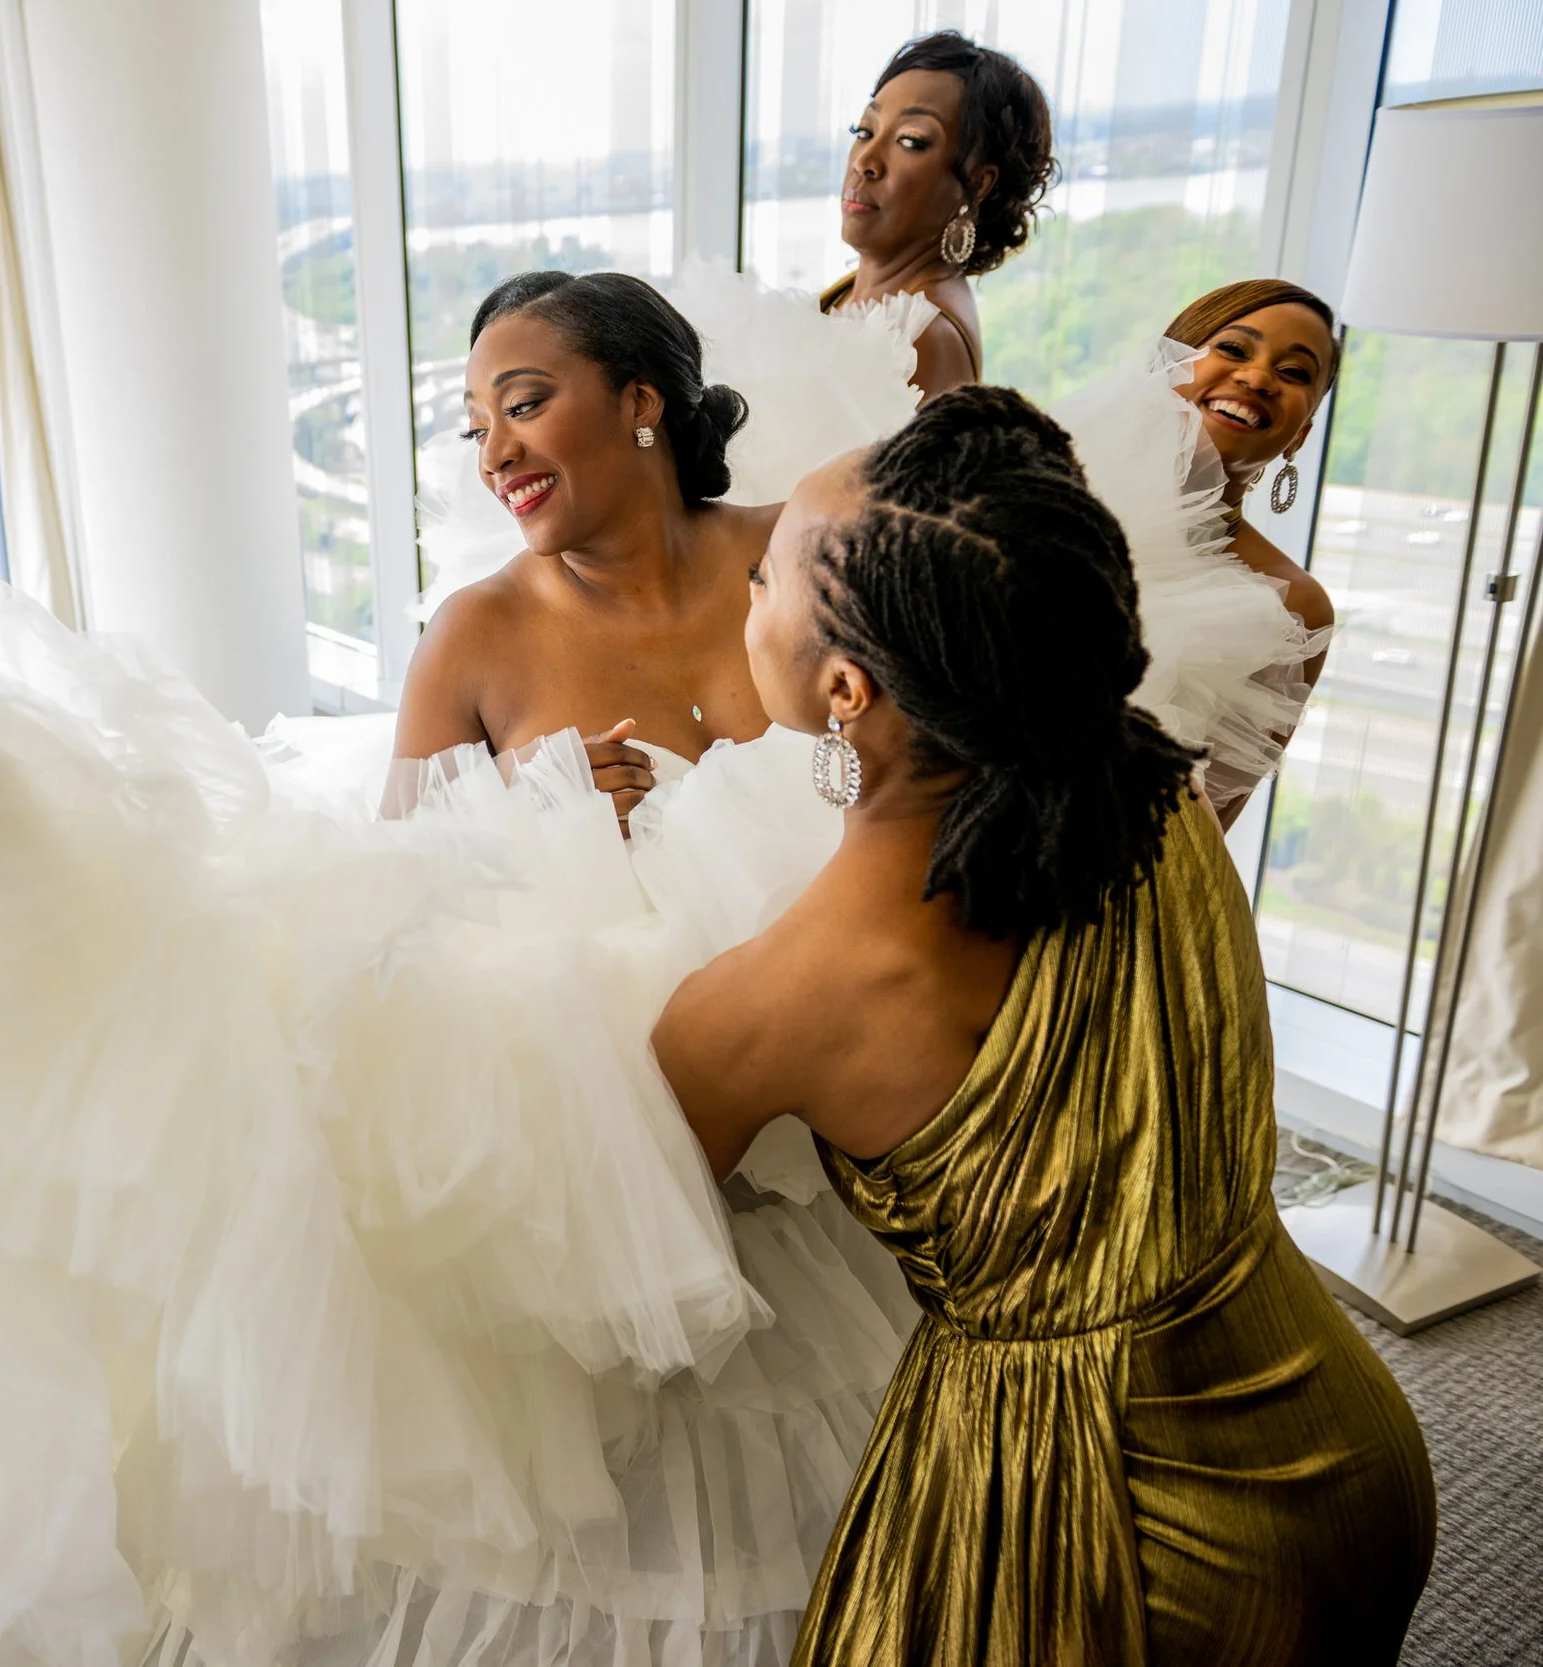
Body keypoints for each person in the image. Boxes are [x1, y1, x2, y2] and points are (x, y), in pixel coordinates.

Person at [653, 386, 1436, 1664]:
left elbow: (621, 1264)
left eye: (762, 581)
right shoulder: (1147, 784)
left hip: (1098, 1519)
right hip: (1338, 1442)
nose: (742, 593)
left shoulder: (778, 995)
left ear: (844, 686)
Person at [395, 270, 777, 821]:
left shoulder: (803, 553)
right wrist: (510, 802)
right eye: (477, 430)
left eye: (522, 406)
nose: (492, 456)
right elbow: (398, 871)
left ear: (641, 402)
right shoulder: (468, 640)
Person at [1162, 277, 1341, 822]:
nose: (1258, 377)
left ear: (1301, 435)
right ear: (1166, 368)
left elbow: (1210, 822)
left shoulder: (1294, 606)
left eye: (1293, 373)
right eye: (1234, 349)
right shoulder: (1030, 484)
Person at [819, 31, 1055, 400]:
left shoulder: (924, 335)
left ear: (977, 183)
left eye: (911, 140)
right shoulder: (861, 293)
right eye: (865, 131)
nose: (865, 162)